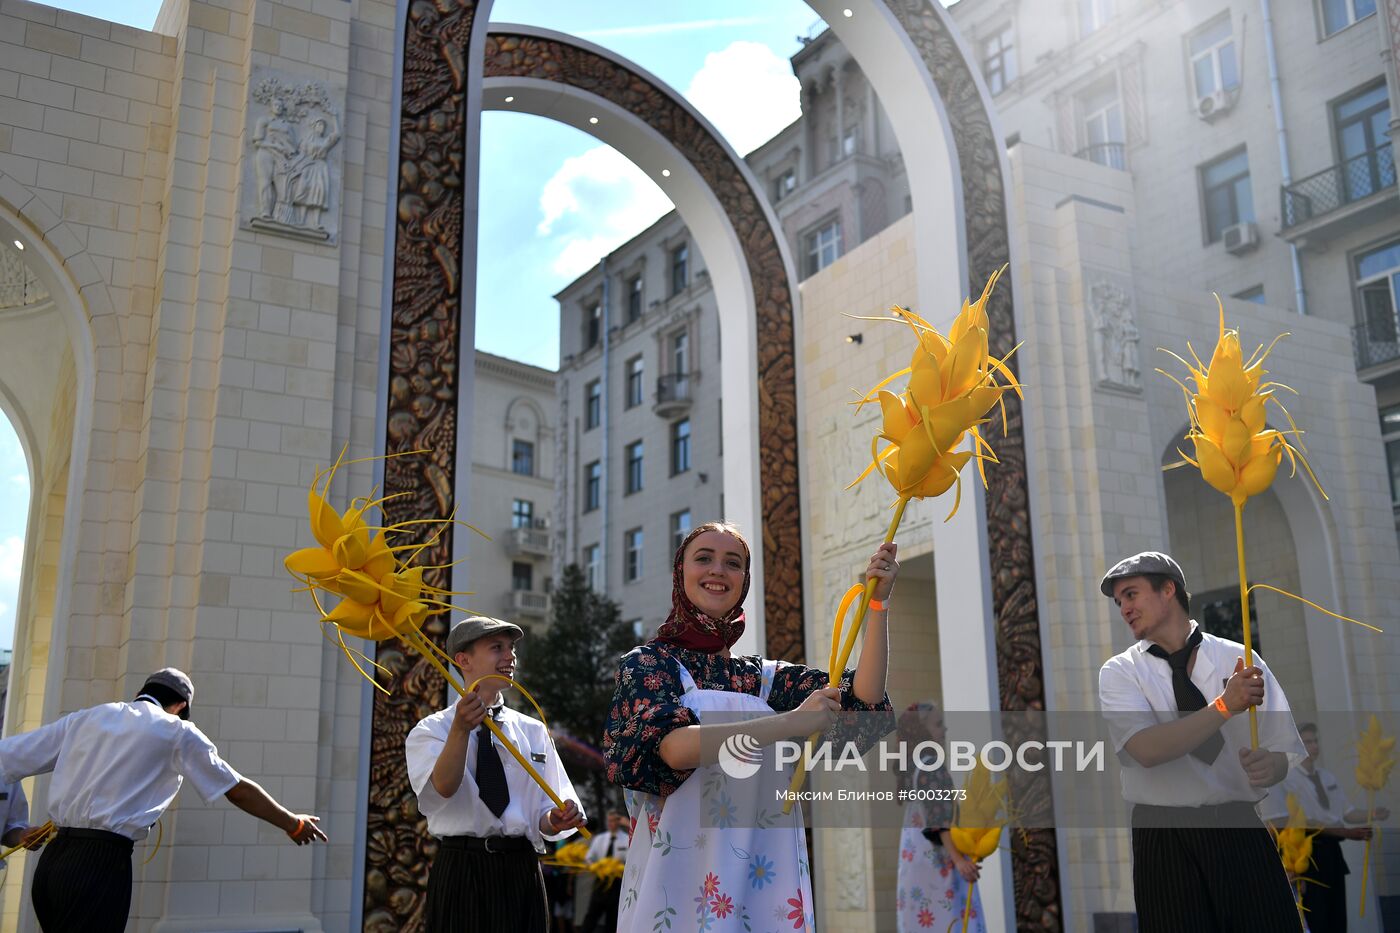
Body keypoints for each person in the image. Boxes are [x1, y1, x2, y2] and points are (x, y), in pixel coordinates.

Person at [603, 520, 895, 932]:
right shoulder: (649, 663)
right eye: (703, 558)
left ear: (745, 580)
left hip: (763, 877)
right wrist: (790, 722)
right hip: (678, 878)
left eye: (733, 562)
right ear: (679, 572)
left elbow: (863, 700)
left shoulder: (763, 677)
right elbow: (673, 748)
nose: (718, 570)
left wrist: (879, 606)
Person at [0, 667, 327, 932]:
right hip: (100, 863)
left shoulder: (85, 718)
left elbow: (8, 757)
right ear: (181, 706)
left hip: (52, 864)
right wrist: (293, 823)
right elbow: (236, 789)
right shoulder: (176, 731)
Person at [1097, 551, 1304, 932]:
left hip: (1239, 825)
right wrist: (1225, 706)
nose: (1124, 607)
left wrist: (1270, 766)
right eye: (1119, 601)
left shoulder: (1238, 658)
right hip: (1163, 837)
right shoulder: (1120, 673)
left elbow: (1284, 752)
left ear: (1168, 589)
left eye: (1131, 594)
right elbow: (1146, 749)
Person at [405, 616, 587, 933]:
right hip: (463, 868)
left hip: (522, 868)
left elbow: (547, 807)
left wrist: (555, 818)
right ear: (463, 660)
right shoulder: (432, 730)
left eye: (512, 647)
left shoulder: (532, 730)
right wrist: (461, 730)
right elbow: (442, 788)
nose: (510, 656)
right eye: (496, 648)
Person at [1259, 721, 1389, 931]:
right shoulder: (1287, 779)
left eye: (1315, 740)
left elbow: (1347, 813)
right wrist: (1344, 832)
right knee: (1317, 917)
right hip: (1305, 853)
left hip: (1332, 852)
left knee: (1337, 916)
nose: (1314, 745)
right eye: (1307, 741)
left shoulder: (1327, 776)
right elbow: (1294, 822)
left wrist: (1373, 814)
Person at [895, 701, 985, 933]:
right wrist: (959, 861)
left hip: (916, 863)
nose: (944, 730)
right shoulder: (931, 766)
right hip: (939, 865)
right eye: (938, 724)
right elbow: (939, 818)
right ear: (922, 731)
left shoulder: (914, 766)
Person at [579, 809, 630, 933]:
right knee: (592, 914)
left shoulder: (626, 839)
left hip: (617, 882)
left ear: (618, 822)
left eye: (614, 820)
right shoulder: (600, 839)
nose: (611, 823)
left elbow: (629, 860)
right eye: (610, 821)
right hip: (600, 881)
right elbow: (589, 858)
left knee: (612, 917)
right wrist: (596, 867)